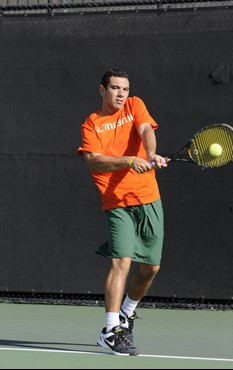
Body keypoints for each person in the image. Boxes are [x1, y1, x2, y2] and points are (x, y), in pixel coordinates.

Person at [77, 68, 169, 356]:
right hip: (117, 202)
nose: (120, 94)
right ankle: (110, 329)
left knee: (151, 267)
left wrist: (151, 154)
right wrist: (129, 160)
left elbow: (144, 130)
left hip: (149, 198)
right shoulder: (91, 124)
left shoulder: (135, 105)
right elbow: (96, 161)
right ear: (102, 90)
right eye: (115, 88)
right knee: (121, 263)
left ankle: (127, 313)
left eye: (124, 89)